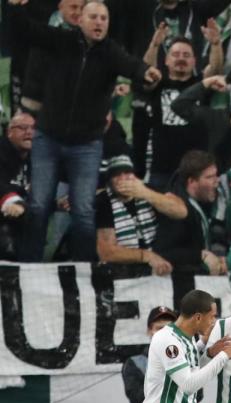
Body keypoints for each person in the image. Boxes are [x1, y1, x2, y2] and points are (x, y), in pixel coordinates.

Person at [9, 0, 161, 263]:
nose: (99, 22)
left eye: (104, 18)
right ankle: (28, 267)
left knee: (83, 209)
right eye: (94, 17)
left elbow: (130, 65)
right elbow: (25, 30)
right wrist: (14, 7)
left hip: (86, 145)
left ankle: (83, 269)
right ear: (80, 20)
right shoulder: (61, 40)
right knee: (38, 205)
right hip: (48, 138)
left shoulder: (111, 51)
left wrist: (146, 72)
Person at [132, 35, 216, 190]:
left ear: (194, 61)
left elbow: (215, 69)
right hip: (161, 168)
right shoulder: (158, 85)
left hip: (196, 170)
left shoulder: (201, 86)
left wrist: (216, 43)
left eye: (186, 55)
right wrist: (154, 45)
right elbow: (146, 70)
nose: (181, 59)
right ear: (166, 60)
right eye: (176, 55)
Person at [96, 154, 187, 273]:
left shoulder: (148, 190)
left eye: (127, 173)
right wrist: (146, 256)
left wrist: (145, 193)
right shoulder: (104, 201)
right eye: (117, 175)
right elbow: (107, 253)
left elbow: (181, 212)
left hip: (162, 257)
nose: (123, 178)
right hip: (125, 268)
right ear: (110, 182)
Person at [152, 150, 224, 274]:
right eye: (209, 177)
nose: (216, 181)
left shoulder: (197, 201)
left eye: (215, 175)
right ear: (191, 181)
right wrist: (200, 256)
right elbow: (163, 252)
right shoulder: (177, 211)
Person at [120, 305, 178, 403]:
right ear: (149, 331)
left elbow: (197, 394)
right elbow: (139, 397)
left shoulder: (185, 360)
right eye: (159, 328)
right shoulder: (135, 363)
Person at [0, 112, 33, 260]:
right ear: (9, 132)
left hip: (23, 214)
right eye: (22, 128)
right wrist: (11, 199)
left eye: (33, 128)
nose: (29, 132)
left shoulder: (39, 157)